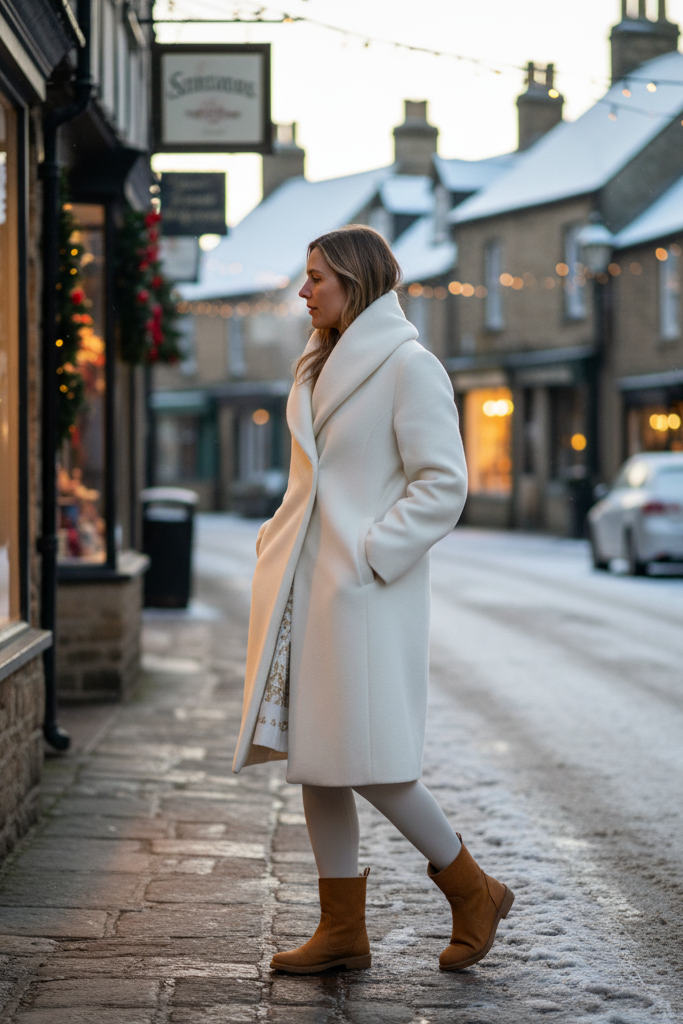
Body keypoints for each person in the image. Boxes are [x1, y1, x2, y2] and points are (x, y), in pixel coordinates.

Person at [232, 225, 514, 974]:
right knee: (318, 761)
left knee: (375, 762)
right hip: (308, 587)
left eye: (315, 277)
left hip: (359, 593)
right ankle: (342, 933)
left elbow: (441, 483)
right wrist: (279, 538)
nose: (302, 290)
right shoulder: (315, 366)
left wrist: (368, 552)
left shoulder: (408, 367)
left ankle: (472, 887)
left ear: (352, 282)